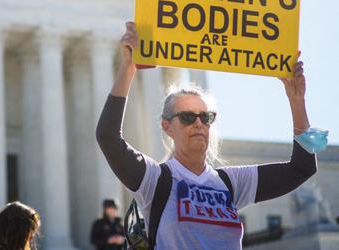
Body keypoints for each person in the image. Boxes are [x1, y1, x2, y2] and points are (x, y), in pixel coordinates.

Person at [95, 21, 318, 249]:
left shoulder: (231, 183)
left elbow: (302, 168)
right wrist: (129, 67)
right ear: (167, 126)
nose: (199, 123)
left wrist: (297, 100)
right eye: (188, 117)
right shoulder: (154, 180)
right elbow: (107, 137)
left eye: (206, 117)